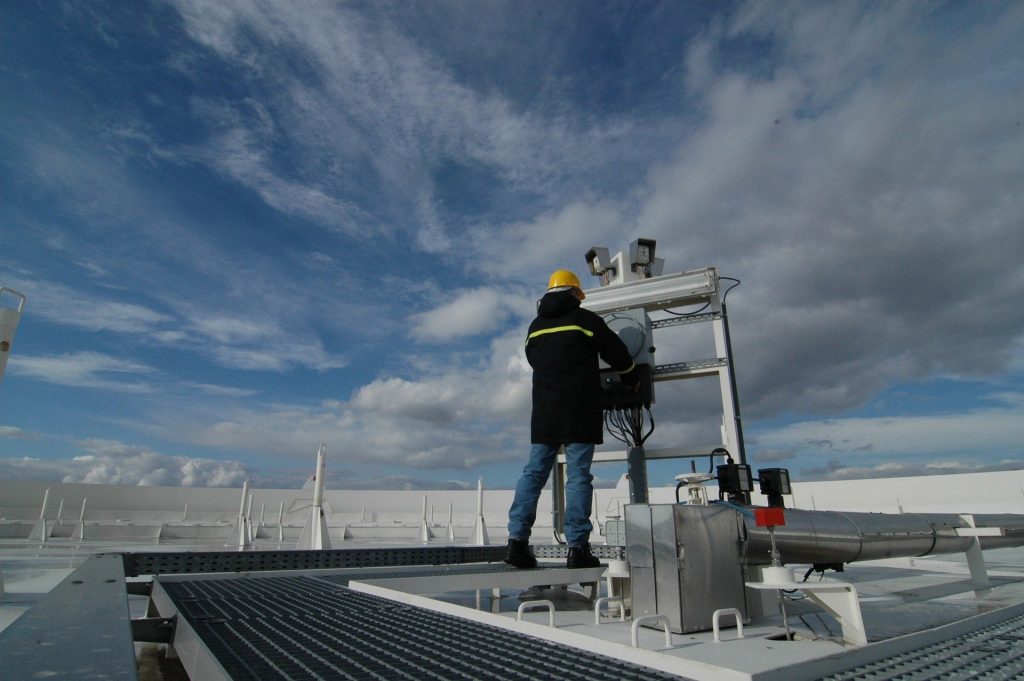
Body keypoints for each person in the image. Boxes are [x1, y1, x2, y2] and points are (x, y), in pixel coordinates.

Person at [505, 269, 640, 569]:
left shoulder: (535, 326)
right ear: (576, 294)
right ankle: (577, 549)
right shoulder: (586, 320)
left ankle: (516, 543)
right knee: (578, 476)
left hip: (544, 412)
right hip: (579, 409)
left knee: (533, 474)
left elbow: (533, 359)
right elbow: (616, 351)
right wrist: (631, 376)